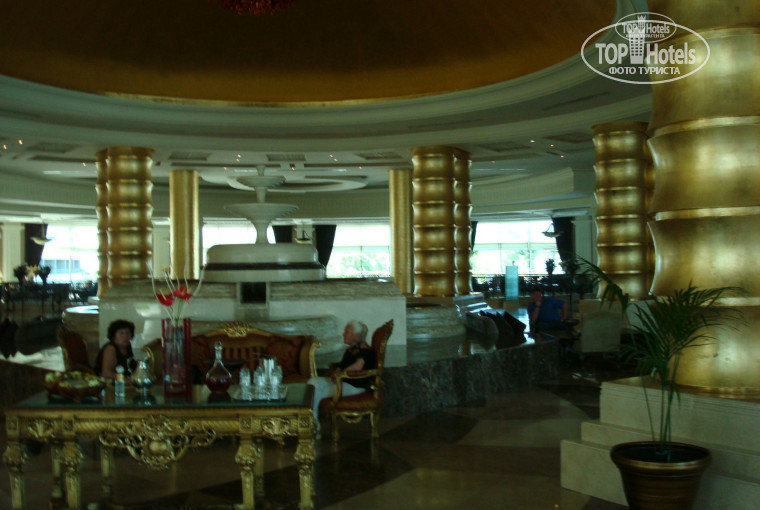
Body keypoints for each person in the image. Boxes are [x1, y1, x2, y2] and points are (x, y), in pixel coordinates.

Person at [308, 320, 376, 433]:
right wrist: (337, 372)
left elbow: (357, 366)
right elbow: (342, 366)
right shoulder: (349, 350)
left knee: (318, 391)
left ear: (356, 335)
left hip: (355, 387)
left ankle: (313, 424)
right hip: (342, 382)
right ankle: (311, 420)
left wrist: (340, 374)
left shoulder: (366, 351)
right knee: (313, 382)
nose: (343, 334)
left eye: (347, 332)